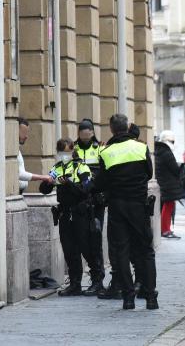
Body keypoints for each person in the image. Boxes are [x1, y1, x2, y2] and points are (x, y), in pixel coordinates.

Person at [93, 114, 158, 310]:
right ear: (128, 127)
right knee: (146, 251)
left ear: (112, 129)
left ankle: (128, 297)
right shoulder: (141, 147)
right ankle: (151, 297)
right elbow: (149, 173)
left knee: (120, 251)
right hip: (139, 206)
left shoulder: (106, 152)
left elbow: (101, 183)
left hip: (117, 208)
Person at [39, 138, 105, 296]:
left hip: (81, 214)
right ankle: (75, 283)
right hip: (65, 214)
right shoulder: (57, 168)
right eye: (61, 152)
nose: (64, 155)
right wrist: (49, 183)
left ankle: (97, 282)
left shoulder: (81, 167)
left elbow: (87, 189)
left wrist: (69, 184)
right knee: (69, 249)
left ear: (72, 151)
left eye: (67, 152)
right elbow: (44, 189)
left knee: (87, 248)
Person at [73, 118, 105, 295]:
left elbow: (104, 173)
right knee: (83, 242)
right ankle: (91, 278)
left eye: (88, 135)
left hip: (95, 202)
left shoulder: (99, 148)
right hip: (79, 201)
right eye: (82, 136)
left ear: (92, 133)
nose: (85, 138)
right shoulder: (74, 150)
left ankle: (98, 280)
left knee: (95, 241)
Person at [155, 131, 185, 239]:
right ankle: (165, 230)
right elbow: (175, 169)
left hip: (163, 182)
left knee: (166, 206)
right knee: (168, 207)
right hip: (169, 184)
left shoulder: (158, 150)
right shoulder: (167, 152)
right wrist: (181, 167)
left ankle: (164, 229)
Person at [18, 117, 51, 194]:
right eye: (23, 133)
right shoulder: (13, 151)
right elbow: (19, 174)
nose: (26, 136)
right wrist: (42, 177)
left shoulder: (17, 150)